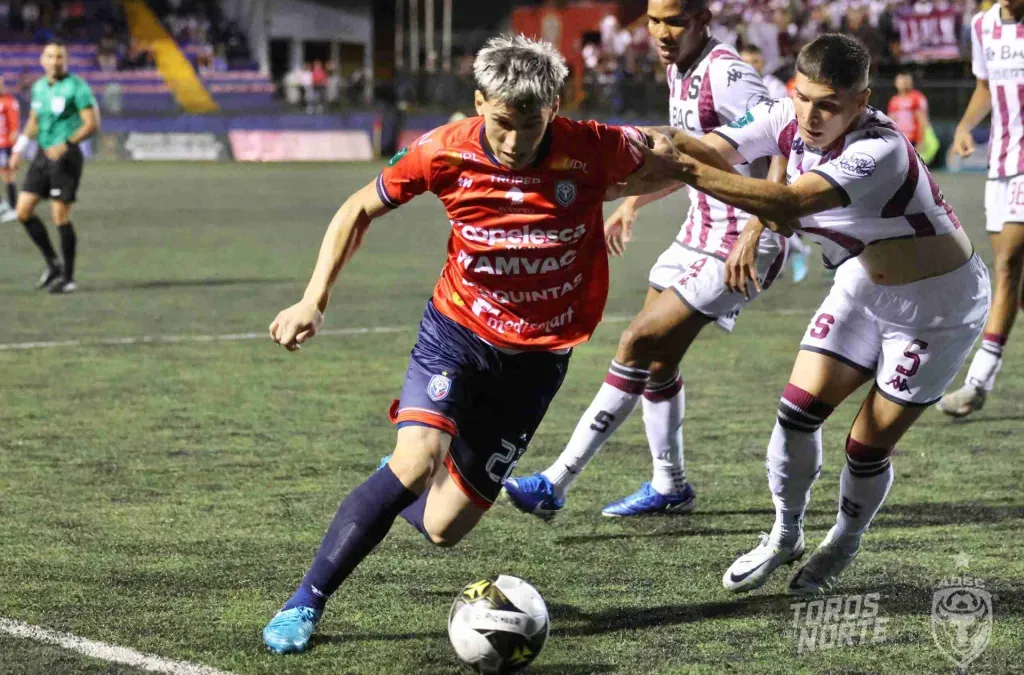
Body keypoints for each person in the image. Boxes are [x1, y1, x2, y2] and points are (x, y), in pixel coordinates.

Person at [259, 34, 707, 654]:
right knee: (416, 461)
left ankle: (399, 481)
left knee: (443, 528)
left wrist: (762, 202)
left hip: (538, 363)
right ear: (479, 102)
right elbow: (358, 209)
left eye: (531, 122)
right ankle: (305, 601)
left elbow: (680, 152)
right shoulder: (443, 151)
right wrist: (314, 298)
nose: (516, 140)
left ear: (555, 104)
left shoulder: (593, 148)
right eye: (501, 122)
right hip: (458, 332)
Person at [641, 33, 989, 595]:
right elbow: (706, 147)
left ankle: (843, 543)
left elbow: (788, 202)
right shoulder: (786, 114)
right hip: (861, 283)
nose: (809, 114)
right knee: (796, 412)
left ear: (860, 100)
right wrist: (611, 146)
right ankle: (785, 533)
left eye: (827, 104)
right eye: (803, 97)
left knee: (865, 447)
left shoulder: (881, 148)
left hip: (939, 308)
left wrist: (679, 165)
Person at [504, 0, 787, 520]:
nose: (660, 32)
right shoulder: (682, 70)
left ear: (703, 20)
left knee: (637, 340)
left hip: (738, 240)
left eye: (675, 21)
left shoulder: (728, 75)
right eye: (655, 20)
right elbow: (688, 162)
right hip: (698, 230)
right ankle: (669, 485)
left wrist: (756, 227)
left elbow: (781, 147)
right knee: (658, 363)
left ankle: (555, 481)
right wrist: (633, 202)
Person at [938, 0, 1024, 418]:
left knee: (1008, 264)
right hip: (1002, 163)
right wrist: (964, 126)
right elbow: (985, 88)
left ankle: (978, 382)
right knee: (1011, 275)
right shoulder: (983, 26)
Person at [9, 40, 99, 294]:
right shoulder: (38, 87)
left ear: (65, 61)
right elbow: (34, 120)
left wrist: (67, 143)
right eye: (50, 56)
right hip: (41, 155)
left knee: (59, 215)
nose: (55, 61)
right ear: (42, 60)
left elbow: (91, 123)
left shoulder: (77, 87)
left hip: (65, 157)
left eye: (59, 57)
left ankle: (68, 278)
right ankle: (53, 263)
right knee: (23, 211)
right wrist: (19, 149)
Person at [740, 41, 813, 283]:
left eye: (755, 61)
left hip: (778, 154)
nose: (750, 66)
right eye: (745, 62)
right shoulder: (736, 86)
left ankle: (793, 248)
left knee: (768, 203)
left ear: (763, 63)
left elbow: (786, 125)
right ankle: (784, 252)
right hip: (751, 155)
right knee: (753, 206)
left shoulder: (775, 87)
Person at [887, 71, 938, 165]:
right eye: (901, 81)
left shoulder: (916, 98)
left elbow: (923, 121)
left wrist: (921, 141)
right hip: (901, 138)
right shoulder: (894, 100)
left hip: (914, 138)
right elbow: (890, 121)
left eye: (906, 80)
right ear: (896, 83)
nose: (904, 83)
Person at [0, 79, 20, 222]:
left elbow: (14, 127)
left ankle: (13, 208)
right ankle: (4, 204)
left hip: (4, 145)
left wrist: (14, 150)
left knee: (8, 176)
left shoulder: (9, 101)